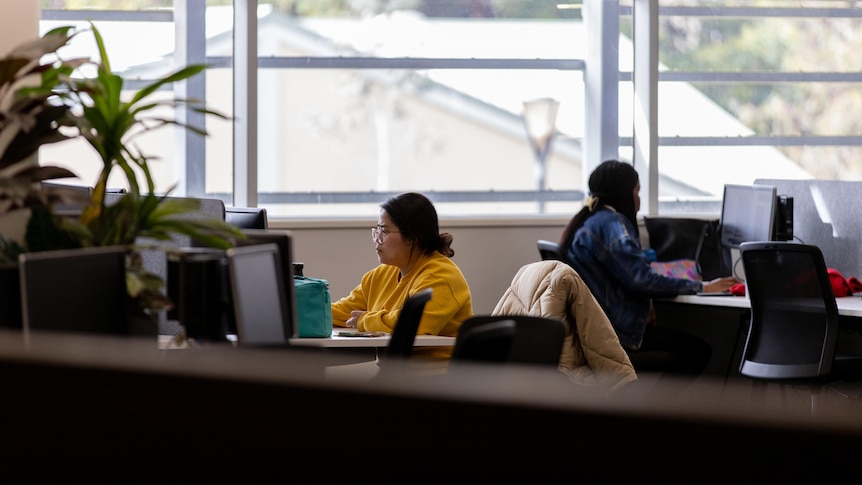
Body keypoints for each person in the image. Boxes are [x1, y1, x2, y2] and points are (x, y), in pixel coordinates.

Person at [559, 159, 739, 379]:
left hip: (596, 333)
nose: (639, 199)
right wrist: (702, 286)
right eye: (637, 191)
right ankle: (661, 412)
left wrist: (648, 301)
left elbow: (631, 278)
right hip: (617, 335)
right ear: (623, 194)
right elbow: (641, 279)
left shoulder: (592, 221)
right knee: (697, 351)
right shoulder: (613, 224)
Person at [331, 192, 473, 360]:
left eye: (384, 230)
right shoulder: (382, 274)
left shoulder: (441, 276)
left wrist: (364, 321)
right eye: (377, 230)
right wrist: (301, 311)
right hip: (397, 375)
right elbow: (343, 313)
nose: (377, 238)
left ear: (412, 237)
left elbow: (410, 324)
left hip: (439, 377)